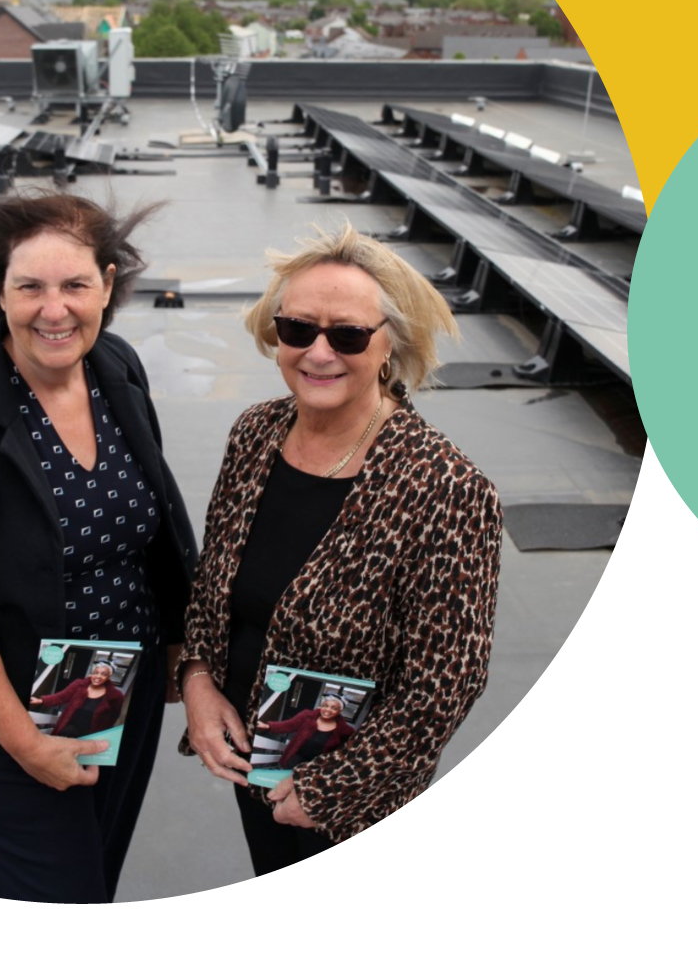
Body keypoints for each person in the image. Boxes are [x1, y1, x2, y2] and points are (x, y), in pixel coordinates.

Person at [0, 191, 199, 903]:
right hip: (9, 706)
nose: (53, 309)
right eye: (29, 285)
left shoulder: (115, 368)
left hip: (123, 688)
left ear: (108, 285)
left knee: (84, 881)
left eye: (74, 285)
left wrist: (181, 643)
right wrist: (28, 742)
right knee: (52, 892)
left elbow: (150, 522)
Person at [176, 222, 501, 877]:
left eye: (347, 335)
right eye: (297, 329)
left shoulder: (445, 486)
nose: (317, 352)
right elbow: (214, 590)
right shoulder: (256, 434)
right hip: (258, 766)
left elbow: (444, 682)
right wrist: (197, 678)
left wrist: (329, 790)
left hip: (358, 805)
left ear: (388, 346)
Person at [255, 694, 355, 771]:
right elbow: (289, 725)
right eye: (325, 705)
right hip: (295, 757)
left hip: (315, 764)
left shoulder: (344, 730)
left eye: (334, 708)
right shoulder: (307, 716)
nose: (328, 710)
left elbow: (349, 747)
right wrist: (268, 726)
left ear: (340, 711)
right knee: (284, 778)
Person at [31, 661, 128, 739]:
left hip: (89, 736)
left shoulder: (115, 696)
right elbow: (61, 697)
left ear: (109, 677)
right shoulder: (78, 684)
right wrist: (41, 700)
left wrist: (104, 735)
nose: (98, 677)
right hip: (66, 730)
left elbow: (113, 716)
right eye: (95, 673)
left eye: (103, 674)